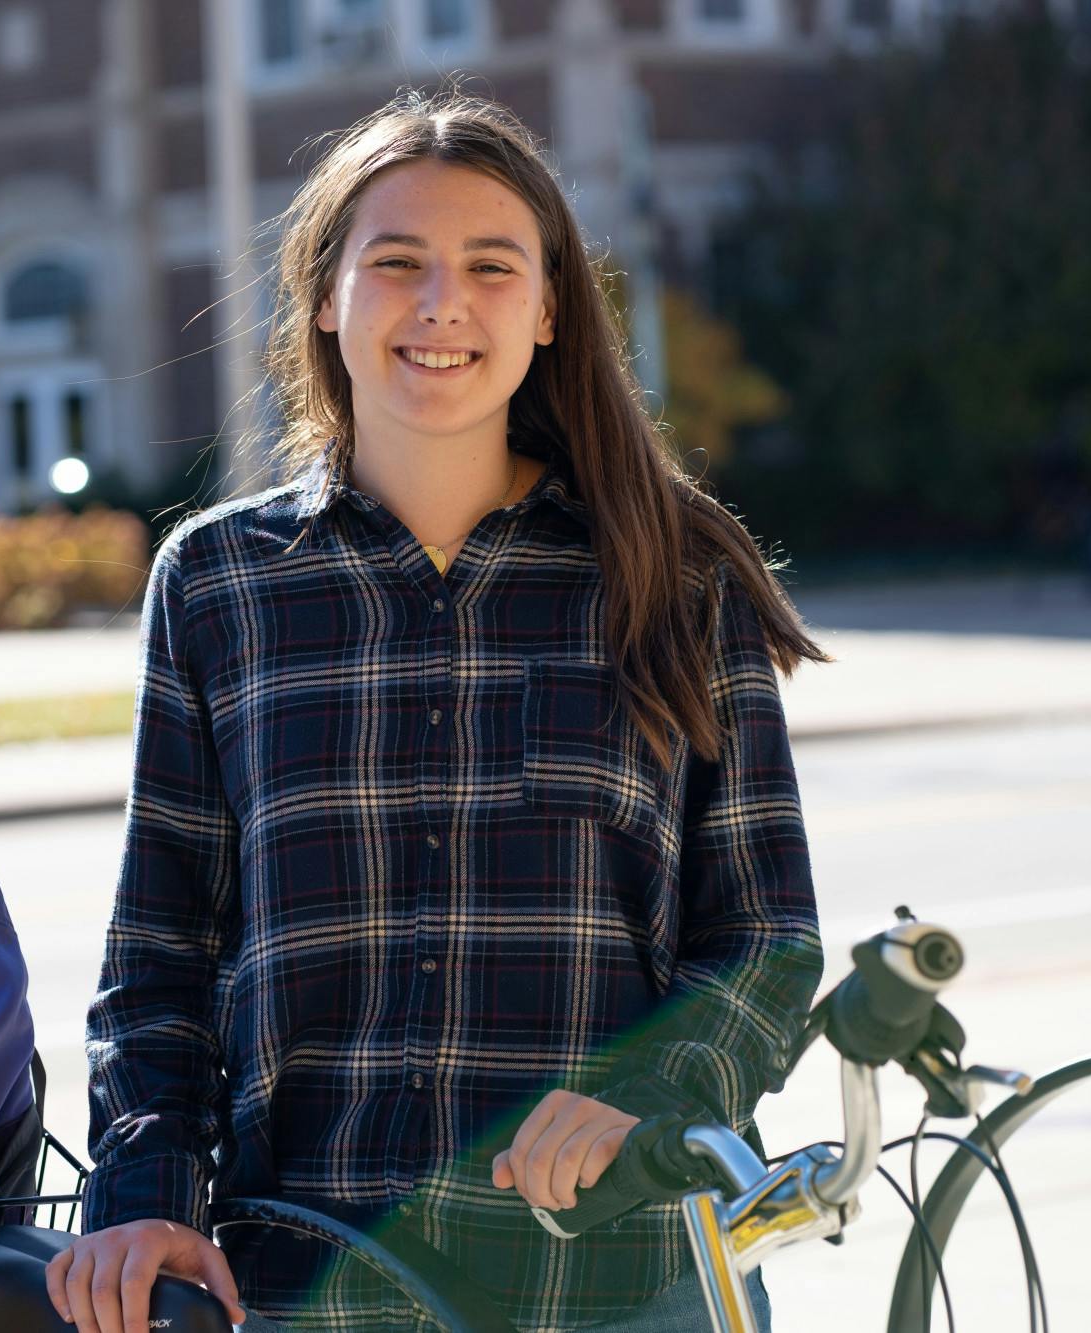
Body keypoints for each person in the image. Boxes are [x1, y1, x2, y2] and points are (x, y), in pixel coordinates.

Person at [48, 90, 827, 1333]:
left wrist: (654, 1089)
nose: (439, 303)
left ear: (549, 308)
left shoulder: (674, 575)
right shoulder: (218, 584)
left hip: (610, 1285)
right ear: (325, 296)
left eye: (489, 266)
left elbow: (767, 941)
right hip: (309, 1287)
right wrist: (142, 1193)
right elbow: (159, 960)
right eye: (394, 263)